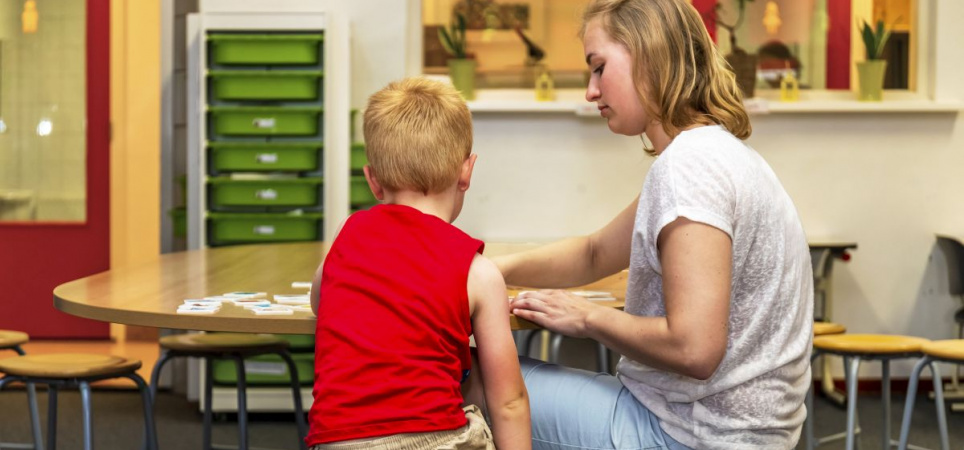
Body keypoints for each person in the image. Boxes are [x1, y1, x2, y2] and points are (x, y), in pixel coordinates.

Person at [497, 0, 813, 449]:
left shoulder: (689, 167)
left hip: (689, 435)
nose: (590, 91)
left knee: (470, 376)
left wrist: (587, 317)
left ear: (648, 55)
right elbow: (593, 253)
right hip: (733, 433)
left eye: (599, 67)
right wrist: (494, 270)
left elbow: (694, 349)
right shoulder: (713, 153)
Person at [306, 77, 531, 450]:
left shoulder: (348, 239)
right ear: (466, 172)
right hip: (434, 439)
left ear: (373, 181)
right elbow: (509, 401)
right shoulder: (476, 271)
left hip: (336, 442)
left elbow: (319, 301)